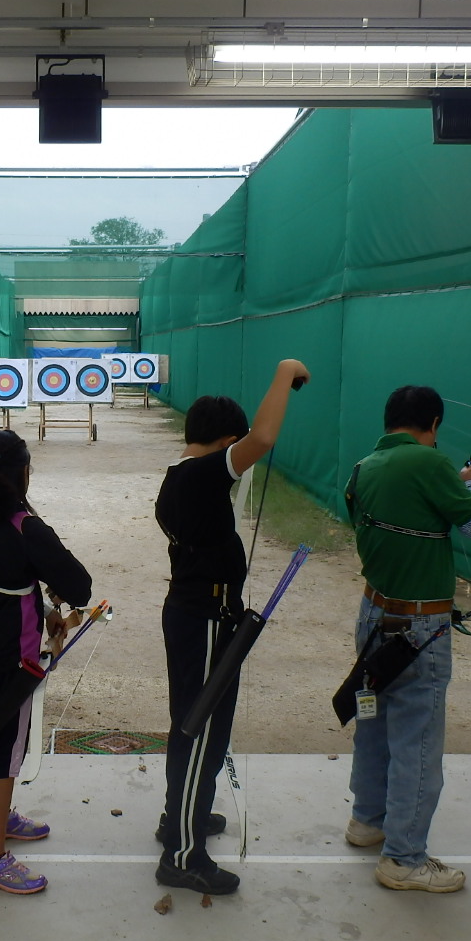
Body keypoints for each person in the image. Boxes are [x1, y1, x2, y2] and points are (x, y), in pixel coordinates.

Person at [153, 359, 310, 896]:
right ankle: (182, 855)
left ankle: (180, 817)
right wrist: (284, 372)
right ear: (225, 442)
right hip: (203, 619)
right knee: (201, 732)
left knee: (191, 726)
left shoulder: (180, 477)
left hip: (200, 615)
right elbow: (261, 438)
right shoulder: (200, 476)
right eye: (233, 448)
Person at [344, 384, 471, 894]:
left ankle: (367, 821)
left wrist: (452, 482)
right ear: (433, 424)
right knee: (418, 740)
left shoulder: (364, 467)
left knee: (373, 723)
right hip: (419, 627)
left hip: (374, 613)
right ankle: (404, 858)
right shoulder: (431, 463)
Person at [0, 430, 92, 895]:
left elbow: (1, 576)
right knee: (4, 751)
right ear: (24, 473)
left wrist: (46, 606)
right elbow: (80, 585)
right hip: (14, 654)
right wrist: (55, 596)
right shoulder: (25, 526)